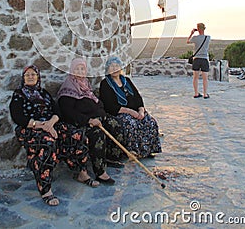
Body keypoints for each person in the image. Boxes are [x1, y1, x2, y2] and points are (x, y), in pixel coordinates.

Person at [9, 65, 99, 207]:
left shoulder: (44, 93)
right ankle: (45, 189)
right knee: (47, 143)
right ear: (23, 78)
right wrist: (41, 125)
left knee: (77, 135)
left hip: (51, 125)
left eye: (34, 74)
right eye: (28, 75)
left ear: (38, 77)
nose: (31, 77)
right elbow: (18, 117)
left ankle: (81, 173)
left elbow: (57, 111)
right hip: (30, 129)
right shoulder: (19, 95)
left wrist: (50, 123)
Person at [57, 58, 125, 186]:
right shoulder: (68, 87)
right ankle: (100, 172)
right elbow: (69, 113)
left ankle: (110, 157)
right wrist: (89, 120)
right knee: (97, 134)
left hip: (95, 119)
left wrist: (101, 115)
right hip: (80, 123)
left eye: (82, 69)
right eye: (77, 69)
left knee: (115, 124)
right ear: (72, 70)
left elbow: (97, 103)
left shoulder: (86, 84)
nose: (80, 71)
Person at [99, 57, 162, 158]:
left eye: (117, 66)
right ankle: (134, 152)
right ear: (108, 69)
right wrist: (130, 112)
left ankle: (148, 150)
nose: (115, 69)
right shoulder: (105, 83)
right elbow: (109, 106)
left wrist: (141, 110)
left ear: (120, 68)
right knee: (130, 123)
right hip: (119, 112)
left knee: (150, 121)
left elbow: (137, 97)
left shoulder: (126, 80)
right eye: (112, 66)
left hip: (135, 111)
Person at [187, 23, 211, 99]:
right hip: (204, 59)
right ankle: (205, 94)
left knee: (195, 77)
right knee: (205, 78)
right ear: (204, 28)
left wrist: (191, 33)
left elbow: (188, 41)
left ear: (198, 29)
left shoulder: (195, 38)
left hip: (196, 59)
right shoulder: (208, 37)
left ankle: (196, 93)